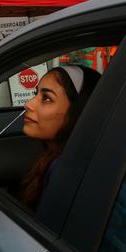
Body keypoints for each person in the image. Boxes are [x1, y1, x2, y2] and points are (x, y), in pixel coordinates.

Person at [19, 65, 100, 209]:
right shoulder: (56, 159)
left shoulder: (65, 171)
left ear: (77, 112)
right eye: (35, 93)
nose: (28, 104)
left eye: (46, 98)